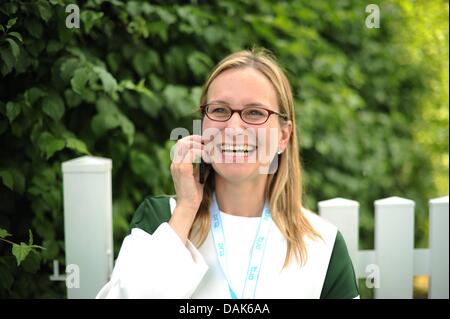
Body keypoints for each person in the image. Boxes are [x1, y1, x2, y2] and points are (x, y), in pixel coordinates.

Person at [96, 49, 359, 299]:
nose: (233, 128)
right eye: (220, 110)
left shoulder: (323, 244)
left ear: (283, 135)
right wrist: (186, 209)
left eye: (255, 112)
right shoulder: (162, 219)